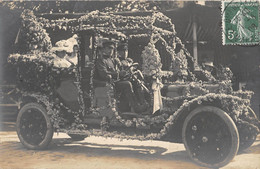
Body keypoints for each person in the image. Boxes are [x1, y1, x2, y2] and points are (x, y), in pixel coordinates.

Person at [94, 39, 146, 113]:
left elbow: (119, 69)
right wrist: (118, 74)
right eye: (108, 48)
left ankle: (142, 103)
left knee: (134, 81)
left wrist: (124, 72)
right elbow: (103, 74)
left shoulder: (112, 60)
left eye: (112, 48)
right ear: (103, 49)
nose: (111, 50)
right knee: (127, 84)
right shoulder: (101, 60)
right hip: (109, 83)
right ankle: (136, 107)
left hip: (116, 81)